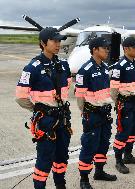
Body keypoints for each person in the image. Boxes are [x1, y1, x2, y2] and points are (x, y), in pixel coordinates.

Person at [15, 27, 73, 189]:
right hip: (46, 121)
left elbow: (66, 87)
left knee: (62, 156)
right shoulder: (32, 67)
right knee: (45, 158)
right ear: (43, 43)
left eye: (59, 40)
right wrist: (39, 109)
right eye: (54, 40)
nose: (58, 44)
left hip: (63, 118)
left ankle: (60, 185)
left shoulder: (63, 64)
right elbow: (20, 97)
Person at [75, 37, 117, 189]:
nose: (107, 50)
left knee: (103, 143)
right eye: (104, 47)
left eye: (107, 47)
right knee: (89, 145)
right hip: (92, 115)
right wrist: (86, 112)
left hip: (104, 113)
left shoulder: (105, 68)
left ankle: (99, 171)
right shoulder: (85, 70)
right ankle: (84, 179)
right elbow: (79, 97)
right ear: (94, 50)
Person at [110, 37, 135, 174]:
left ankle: (128, 155)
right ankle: (118, 160)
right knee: (123, 132)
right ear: (126, 49)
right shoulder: (119, 66)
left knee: (134, 130)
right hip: (125, 103)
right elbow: (113, 90)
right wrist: (119, 103)